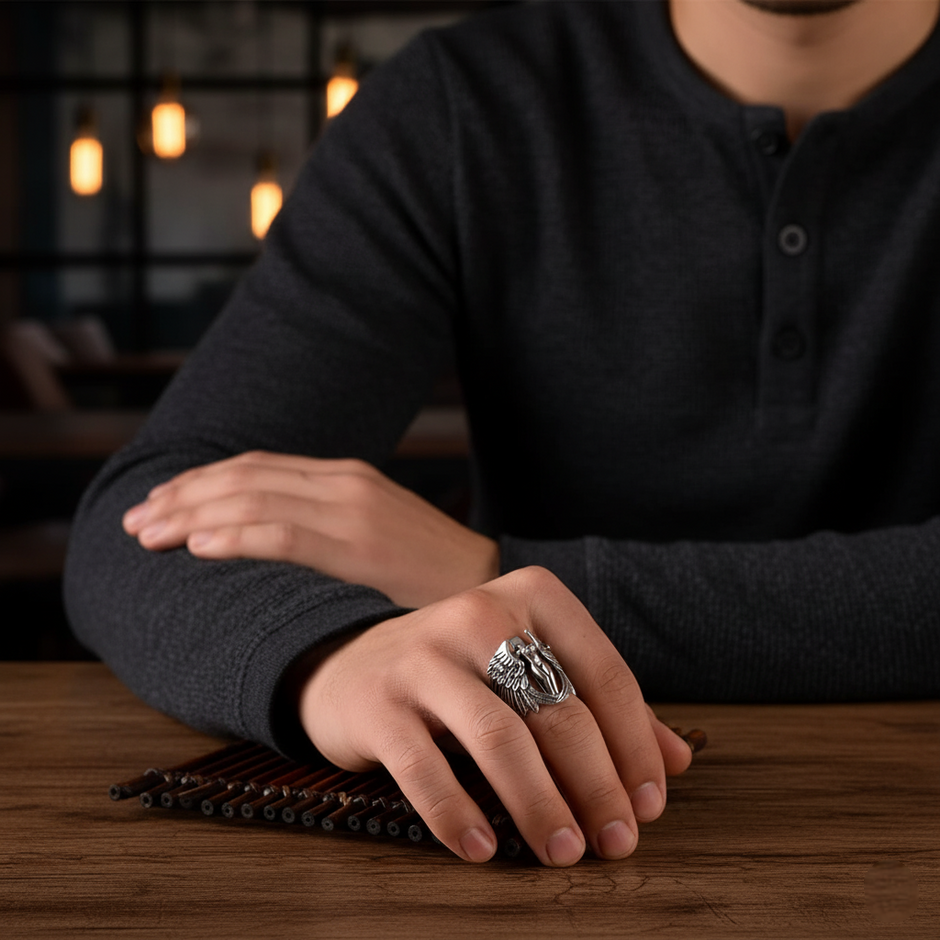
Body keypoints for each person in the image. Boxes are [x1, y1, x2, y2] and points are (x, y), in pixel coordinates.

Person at [65, 0, 940, 868]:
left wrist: (496, 573)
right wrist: (330, 658)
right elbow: (139, 524)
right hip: (540, 840)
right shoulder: (467, 102)